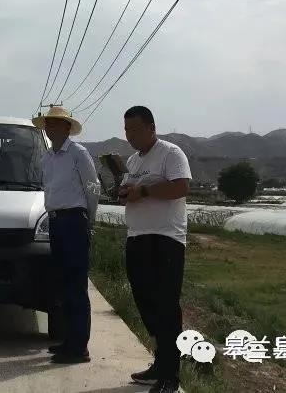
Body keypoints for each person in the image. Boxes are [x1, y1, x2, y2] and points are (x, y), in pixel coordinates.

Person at [118, 105, 192, 393]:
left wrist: (145, 191)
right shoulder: (132, 161)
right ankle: (161, 362)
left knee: (166, 305)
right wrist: (126, 192)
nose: (130, 135)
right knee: (144, 300)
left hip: (166, 239)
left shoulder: (171, 153)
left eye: (135, 130)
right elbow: (128, 192)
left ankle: (170, 376)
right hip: (137, 236)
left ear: (151, 128)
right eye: (126, 130)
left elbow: (180, 187)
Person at [33, 105, 101, 364]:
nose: (50, 127)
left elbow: (92, 188)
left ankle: (79, 346)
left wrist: (88, 219)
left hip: (74, 220)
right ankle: (68, 340)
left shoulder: (78, 153)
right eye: (48, 123)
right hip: (56, 221)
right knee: (63, 283)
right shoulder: (47, 158)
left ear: (67, 127)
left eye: (55, 123)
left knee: (76, 284)